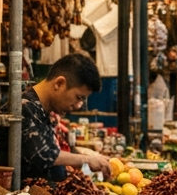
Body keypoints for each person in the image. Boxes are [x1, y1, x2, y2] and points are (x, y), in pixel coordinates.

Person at [14, 53, 110, 181]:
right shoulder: (24, 107)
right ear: (59, 83)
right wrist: (87, 160)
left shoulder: (46, 111)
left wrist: (85, 153)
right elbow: (43, 156)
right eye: (78, 97)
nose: (79, 105)